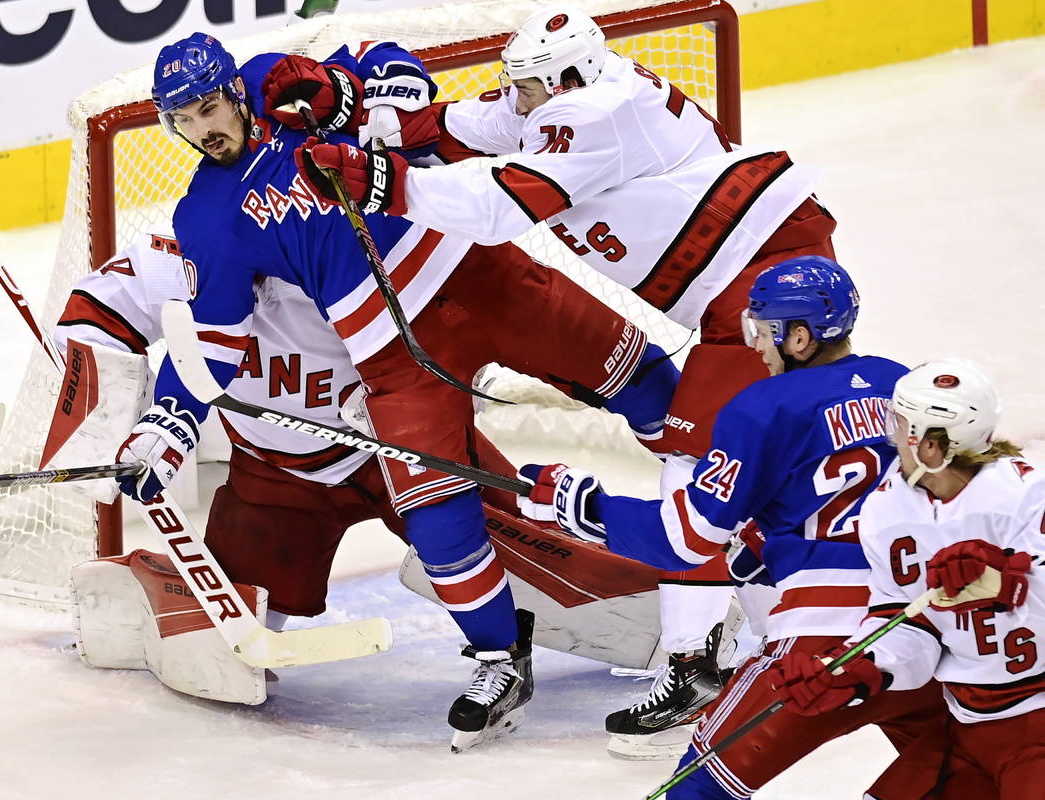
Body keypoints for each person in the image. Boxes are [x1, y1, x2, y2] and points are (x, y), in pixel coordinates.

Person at [116, 31, 686, 750]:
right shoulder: (206, 216)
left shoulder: (275, 82)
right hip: (389, 353)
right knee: (438, 518)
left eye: (208, 107)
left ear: (233, 89)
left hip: (480, 274)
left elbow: (381, 63)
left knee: (646, 383)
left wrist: (375, 93)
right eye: (184, 120)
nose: (204, 130)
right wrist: (169, 426)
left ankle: (737, 522)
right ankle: (499, 661)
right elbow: (217, 338)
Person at [296, 5, 837, 738]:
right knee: (733, 472)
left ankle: (694, 663)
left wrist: (379, 183)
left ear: (566, 78)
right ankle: (775, 644)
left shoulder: (591, 112)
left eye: (526, 88)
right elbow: (460, 127)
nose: (515, 98)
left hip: (763, 277)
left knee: (694, 463)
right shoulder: (562, 94)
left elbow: (497, 207)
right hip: (744, 278)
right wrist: (363, 115)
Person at [52, 229, 670, 710]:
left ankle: (686, 620)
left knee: (553, 565)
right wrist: (117, 429)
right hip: (274, 477)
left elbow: (461, 328)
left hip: (400, 451)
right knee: (229, 649)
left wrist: (412, 391)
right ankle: (148, 586)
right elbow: (95, 312)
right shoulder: (181, 256)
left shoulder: (362, 249)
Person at [520, 256, 949, 795]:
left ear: (799, 337)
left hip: (819, 648)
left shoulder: (761, 407)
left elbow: (685, 541)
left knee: (698, 787)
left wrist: (584, 504)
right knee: (961, 771)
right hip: (922, 631)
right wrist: (765, 539)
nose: (757, 346)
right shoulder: (899, 382)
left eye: (766, 330)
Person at [770, 359, 1044, 799]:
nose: (890, 435)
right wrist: (855, 669)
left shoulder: (1026, 495)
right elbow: (903, 621)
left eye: (898, 423)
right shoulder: (885, 510)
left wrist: (1004, 582)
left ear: (931, 446)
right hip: (967, 727)